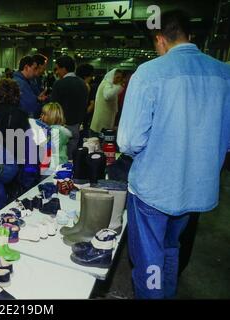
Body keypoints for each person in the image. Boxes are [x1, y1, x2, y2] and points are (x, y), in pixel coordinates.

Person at [117, 9, 230, 299]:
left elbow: (129, 140)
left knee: (149, 260)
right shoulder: (224, 73)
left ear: (160, 39)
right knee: (171, 248)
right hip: (196, 190)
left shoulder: (150, 73)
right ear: (188, 36)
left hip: (155, 189)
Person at [51, 55, 88, 160]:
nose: (57, 72)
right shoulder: (83, 84)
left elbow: (53, 108)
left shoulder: (59, 84)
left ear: (64, 68)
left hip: (60, 129)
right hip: (76, 127)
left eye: (58, 68)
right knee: (71, 159)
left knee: (58, 159)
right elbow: (84, 106)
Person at [39, 102, 72, 175]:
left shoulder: (55, 131)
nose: (41, 116)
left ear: (51, 116)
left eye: (44, 114)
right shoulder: (56, 130)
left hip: (53, 167)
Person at [90, 68, 124, 136]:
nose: (119, 80)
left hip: (104, 121)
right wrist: (119, 87)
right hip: (101, 122)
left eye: (120, 78)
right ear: (112, 76)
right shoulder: (107, 84)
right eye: (117, 77)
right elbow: (108, 96)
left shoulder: (110, 84)